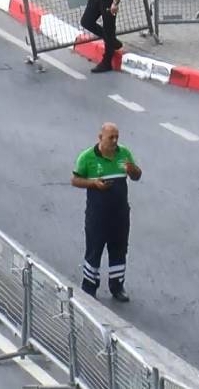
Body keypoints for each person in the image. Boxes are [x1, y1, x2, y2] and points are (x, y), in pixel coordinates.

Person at [71, 122, 141, 302]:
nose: (115, 141)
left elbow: (137, 175)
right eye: (111, 137)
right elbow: (75, 180)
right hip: (97, 216)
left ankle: (117, 286)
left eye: (117, 137)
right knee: (94, 250)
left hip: (120, 215)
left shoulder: (124, 153)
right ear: (100, 137)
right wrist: (93, 183)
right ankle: (89, 287)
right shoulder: (87, 157)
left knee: (119, 249)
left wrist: (132, 170)